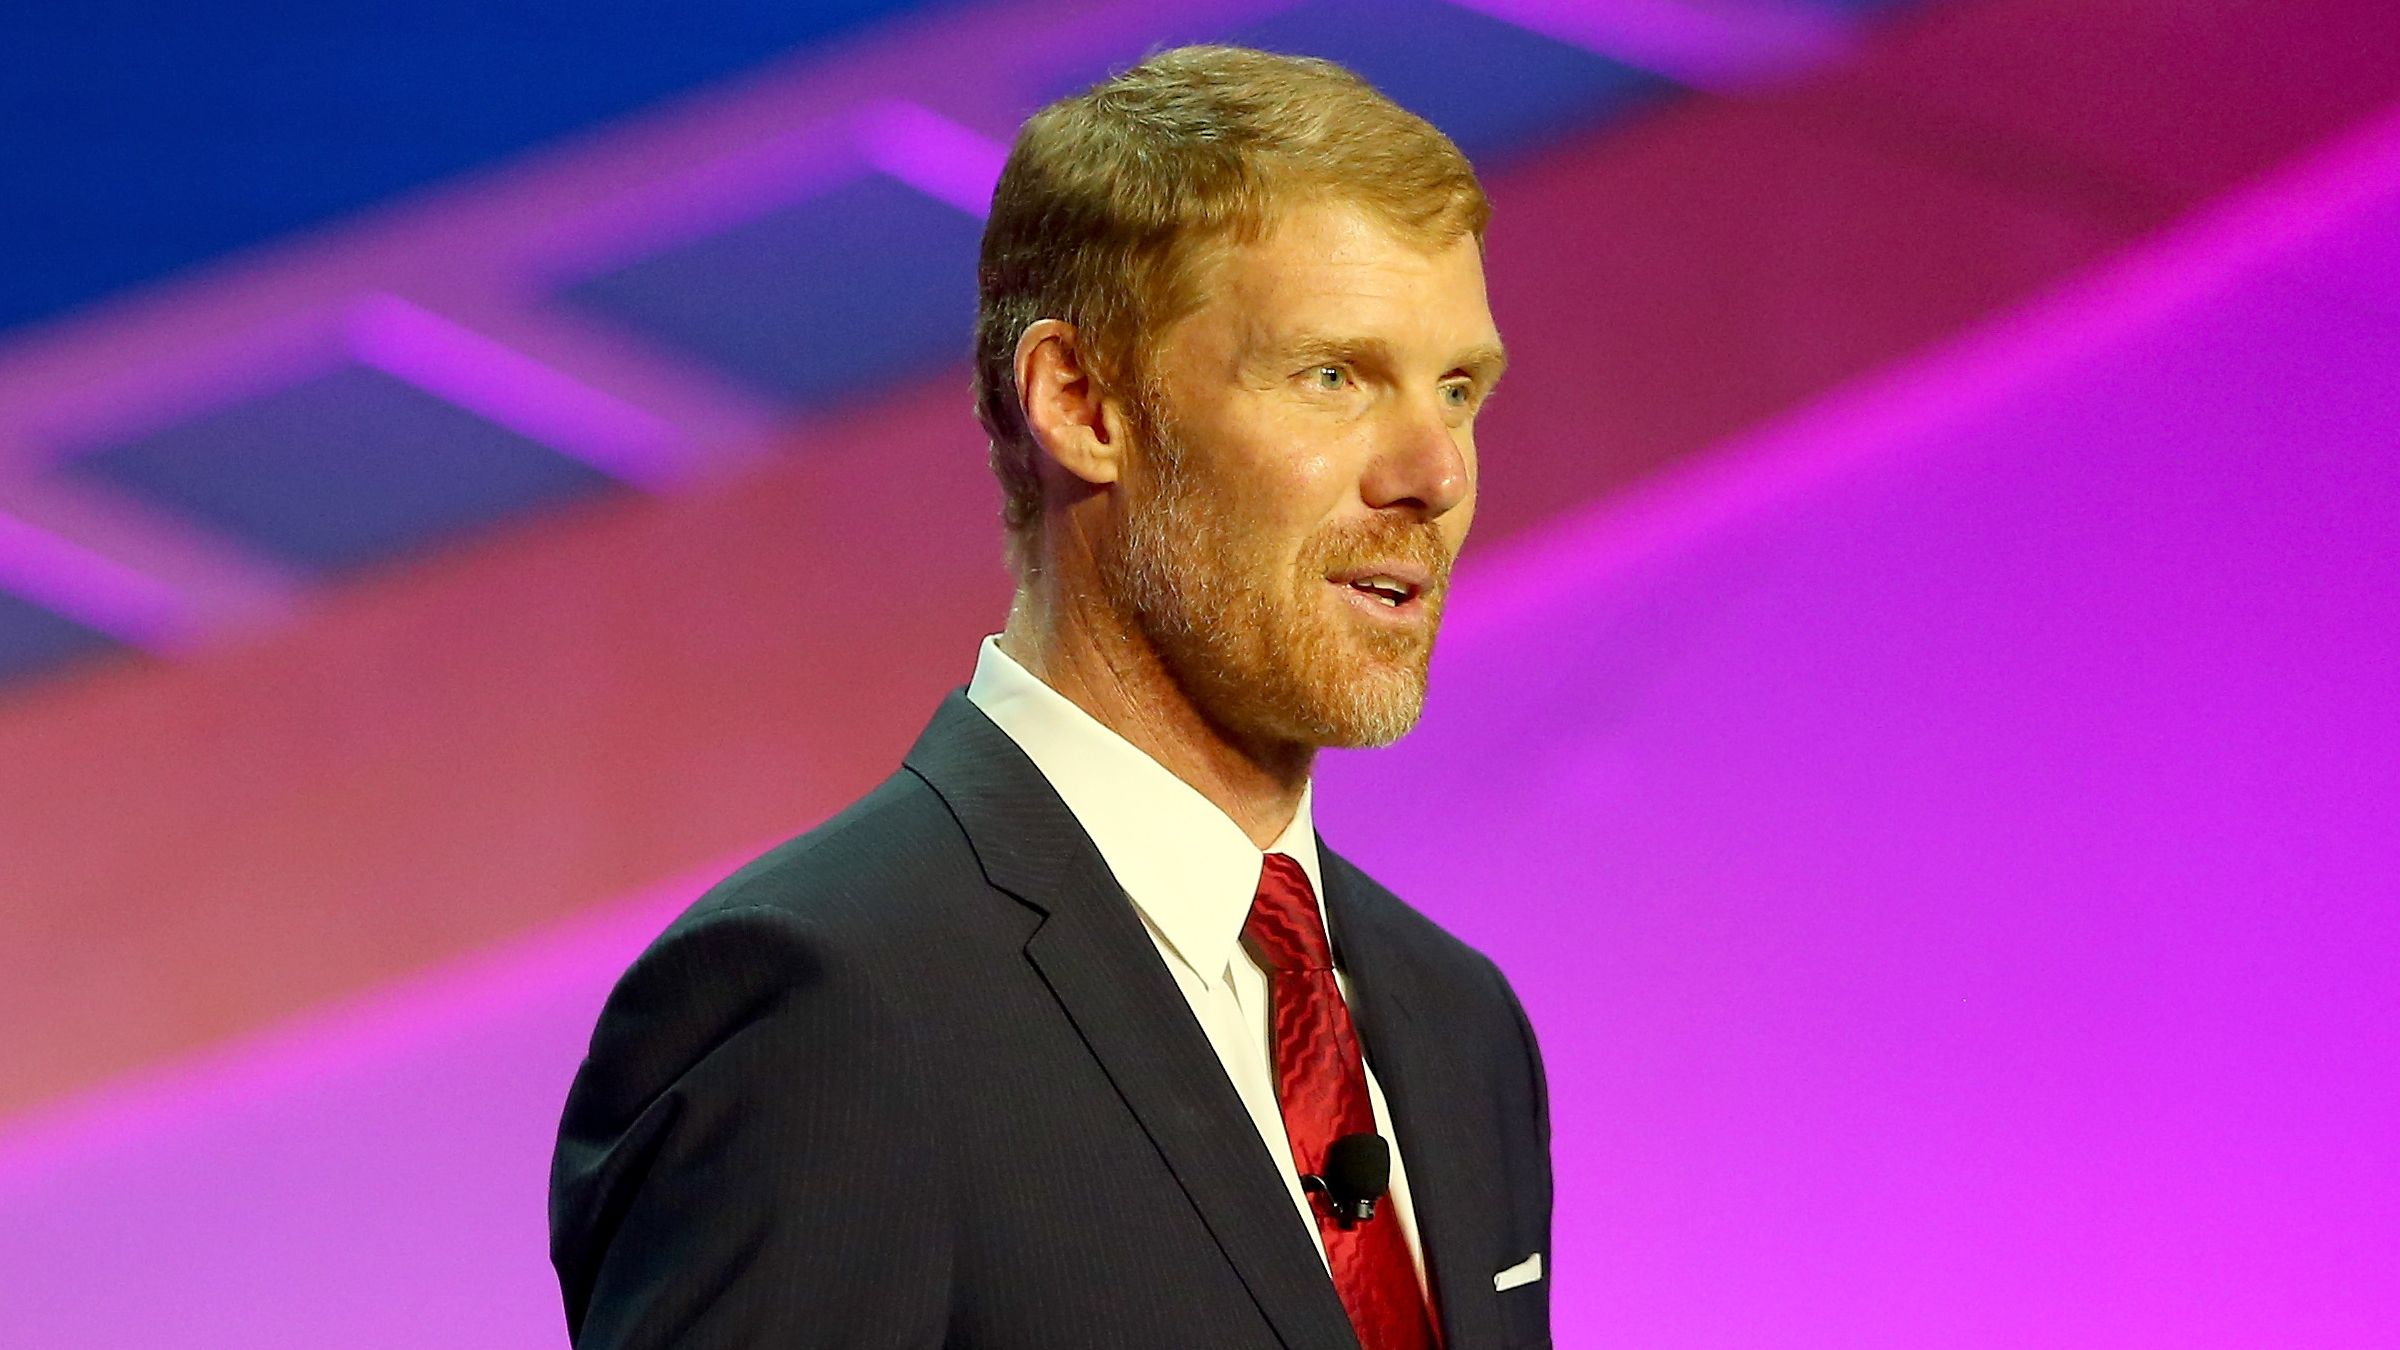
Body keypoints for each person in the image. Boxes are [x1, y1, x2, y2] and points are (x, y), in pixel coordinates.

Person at [550, 45, 1552, 1350]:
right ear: (1081, 404)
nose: (1434, 471)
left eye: (1459, 387)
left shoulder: (1456, 1021)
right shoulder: (821, 1007)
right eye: (1334, 376)